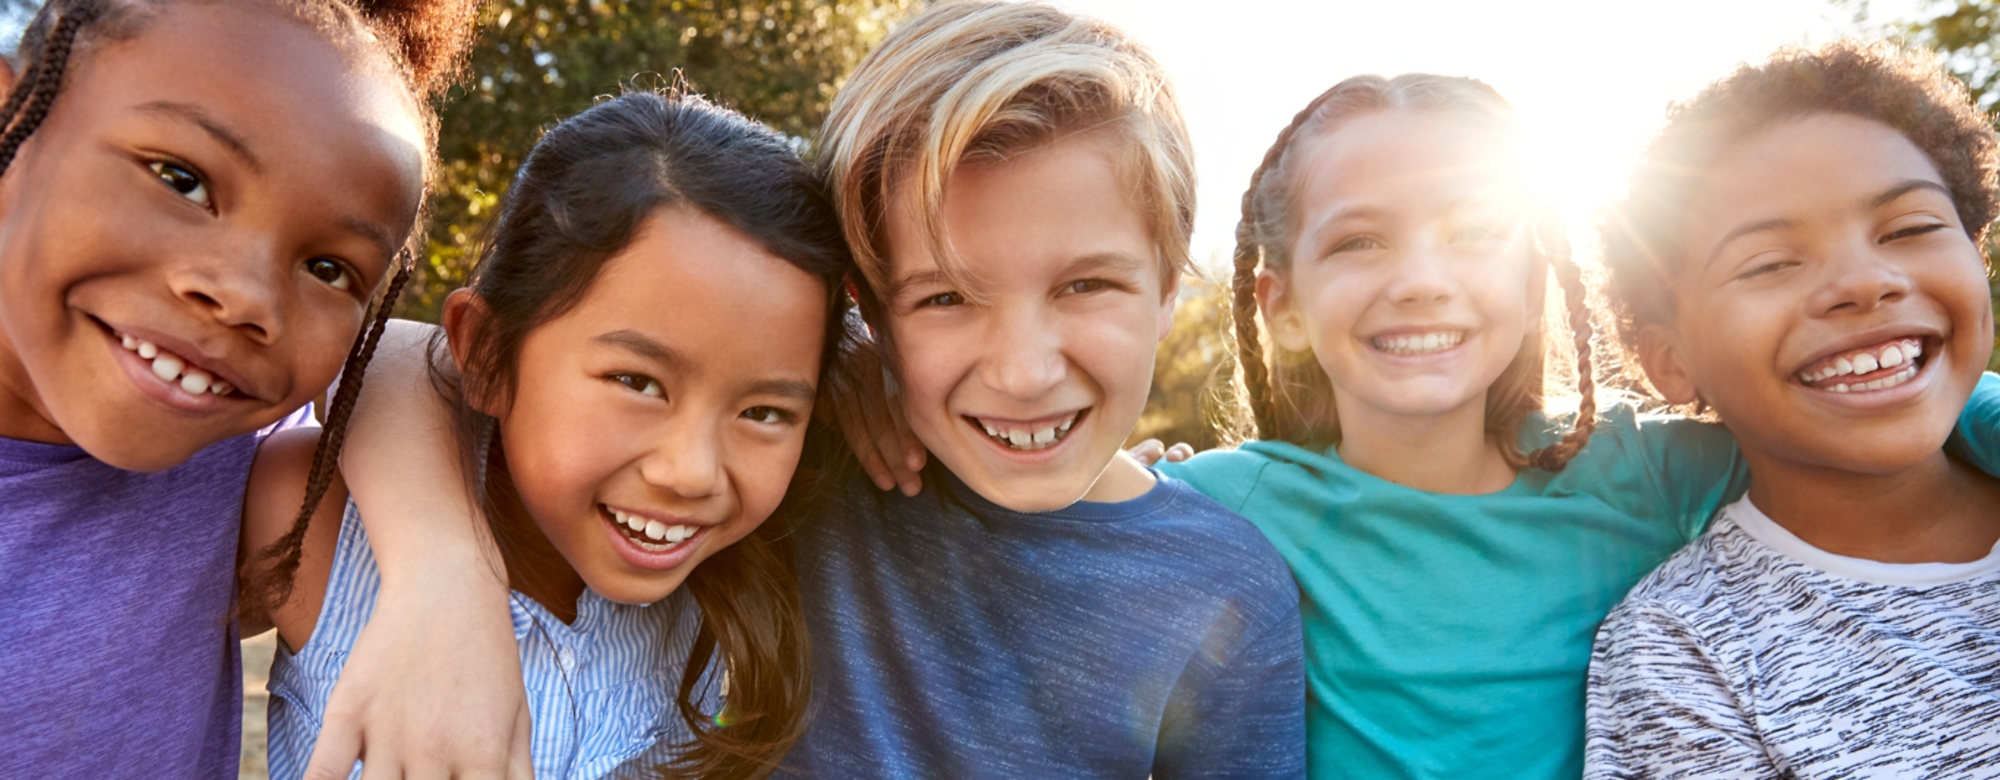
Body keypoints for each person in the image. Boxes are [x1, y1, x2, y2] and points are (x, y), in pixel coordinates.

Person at [338, 2, 1307, 777]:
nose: (1020, 370)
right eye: (944, 297)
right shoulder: (792, 458)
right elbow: (397, 359)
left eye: (1085, 285)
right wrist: (442, 581)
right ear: (870, 308)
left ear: (1174, 280)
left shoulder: (1226, 587)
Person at [1095, 73, 2000, 778]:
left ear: (1533, 287)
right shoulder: (1229, 502)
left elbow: (1864, 405)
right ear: (1280, 306)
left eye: (1473, 230)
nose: (1419, 278)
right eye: (1359, 242)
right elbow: (1062, 511)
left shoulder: (1634, 471)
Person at [243, 90, 850, 780]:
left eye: (765, 412)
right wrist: (446, 572)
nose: (692, 472)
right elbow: (384, 350)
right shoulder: (315, 520)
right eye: (638, 382)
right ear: (491, 355)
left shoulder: (727, 584)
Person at [0, 0, 538, 775]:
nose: (248, 297)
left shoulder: (219, 474)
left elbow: (400, 359)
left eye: (330, 268)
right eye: (182, 181)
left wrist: (448, 578)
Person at [1586, 41, 2000, 778]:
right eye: (1771, 264)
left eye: (1909, 229)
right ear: (1670, 360)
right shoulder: (1681, 648)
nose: (1864, 282)